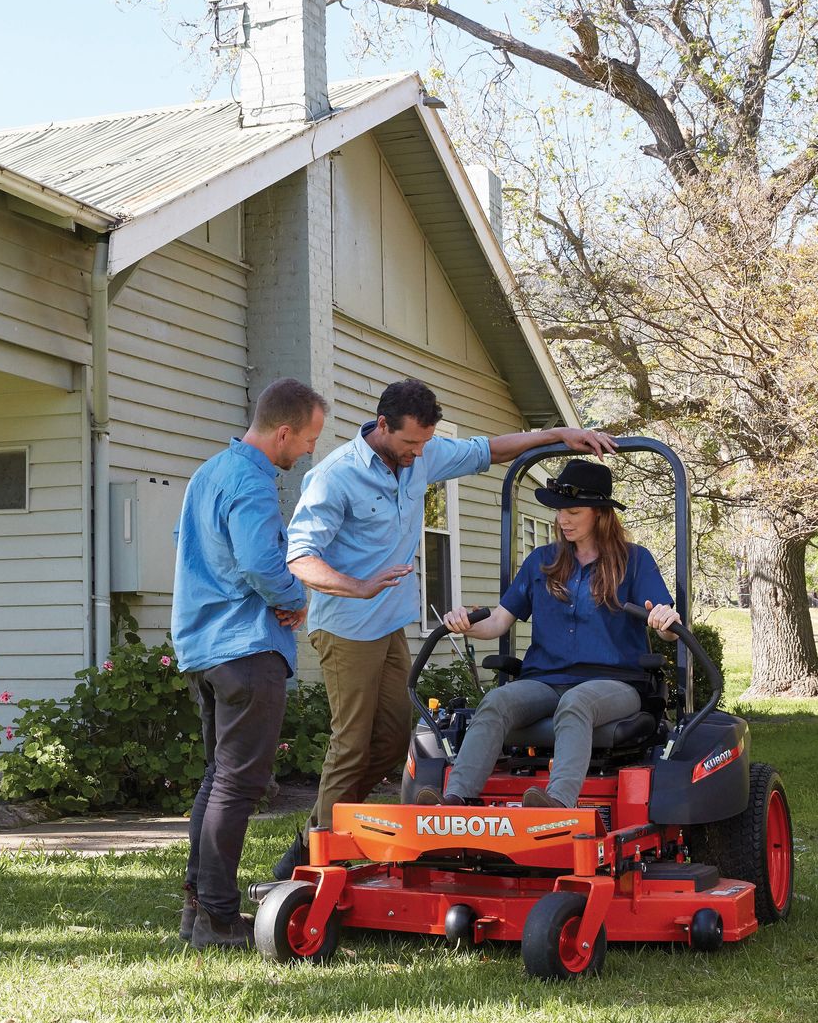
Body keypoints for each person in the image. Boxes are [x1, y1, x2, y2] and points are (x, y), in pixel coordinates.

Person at [271, 379, 616, 877]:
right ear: (383, 426)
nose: (418, 453)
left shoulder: (422, 456)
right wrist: (359, 585)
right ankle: (318, 858)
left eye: (425, 443)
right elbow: (300, 557)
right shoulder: (335, 477)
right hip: (346, 625)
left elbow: (491, 449)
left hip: (390, 625)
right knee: (351, 743)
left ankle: (320, 829)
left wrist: (561, 434)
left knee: (391, 742)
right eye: (411, 442)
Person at [172, 377, 329, 949]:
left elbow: (186, 541)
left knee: (220, 779)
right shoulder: (253, 482)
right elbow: (262, 562)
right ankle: (217, 917)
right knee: (239, 785)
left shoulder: (209, 472)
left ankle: (198, 913)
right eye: (310, 437)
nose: (311, 448)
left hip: (204, 647)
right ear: (283, 431)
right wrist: (294, 600)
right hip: (246, 647)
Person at [432, 457, 681, 808]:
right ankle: (454, 801)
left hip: (617, 683)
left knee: (575, 703)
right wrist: (466, 624)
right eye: (559, 511)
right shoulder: (542, 561)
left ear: (600, 513)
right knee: (496, 702)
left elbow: (670, 630)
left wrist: (667, 621)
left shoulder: (634, 560)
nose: (562, 519)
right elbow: (499, 621)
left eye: (573, 512)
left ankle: (558, 805)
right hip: (545, 680)